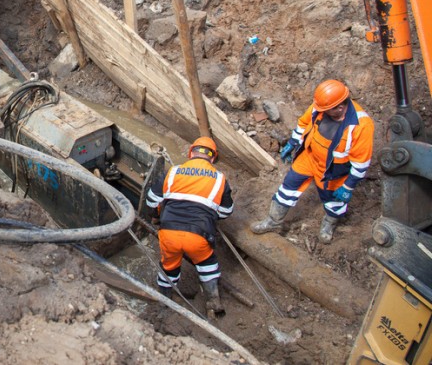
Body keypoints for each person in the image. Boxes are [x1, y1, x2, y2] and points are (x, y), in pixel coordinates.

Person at [251, 79, 374, 244]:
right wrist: (293, 143)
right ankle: (273, 221)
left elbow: (361, 162)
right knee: (288, 187)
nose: (318, 109)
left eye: (326, 109)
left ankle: (329, 224)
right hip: (309, 157)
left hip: (332, 170)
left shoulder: (361, 125)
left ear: (339, 107)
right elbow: (303, 123)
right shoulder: (322, 106)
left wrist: (348, 186)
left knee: (334, 201)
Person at [145, 136, 234, 316]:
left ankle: (165, 301)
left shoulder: (173, 172)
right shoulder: (220, 179)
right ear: (213, 157)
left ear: (190, 153)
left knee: (168, 266)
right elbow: (226, 211)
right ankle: (213, 301)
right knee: (207, 264)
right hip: (199, 236)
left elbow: (151, 200)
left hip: (168, 233)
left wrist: (156, 216)